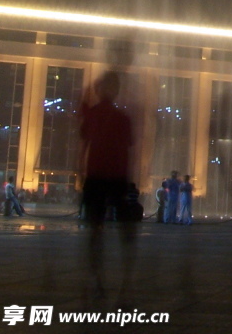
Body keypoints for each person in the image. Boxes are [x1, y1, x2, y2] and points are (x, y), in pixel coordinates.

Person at [79, 70, 137, 299]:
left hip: (96, 176)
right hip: (116, 176)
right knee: (125, 232)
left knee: (95, 230)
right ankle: (124, 283)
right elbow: (129, 146)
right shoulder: (123, 118)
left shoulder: (92, 114)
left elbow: (84, 144)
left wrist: (81, 170)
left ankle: (98, 279)